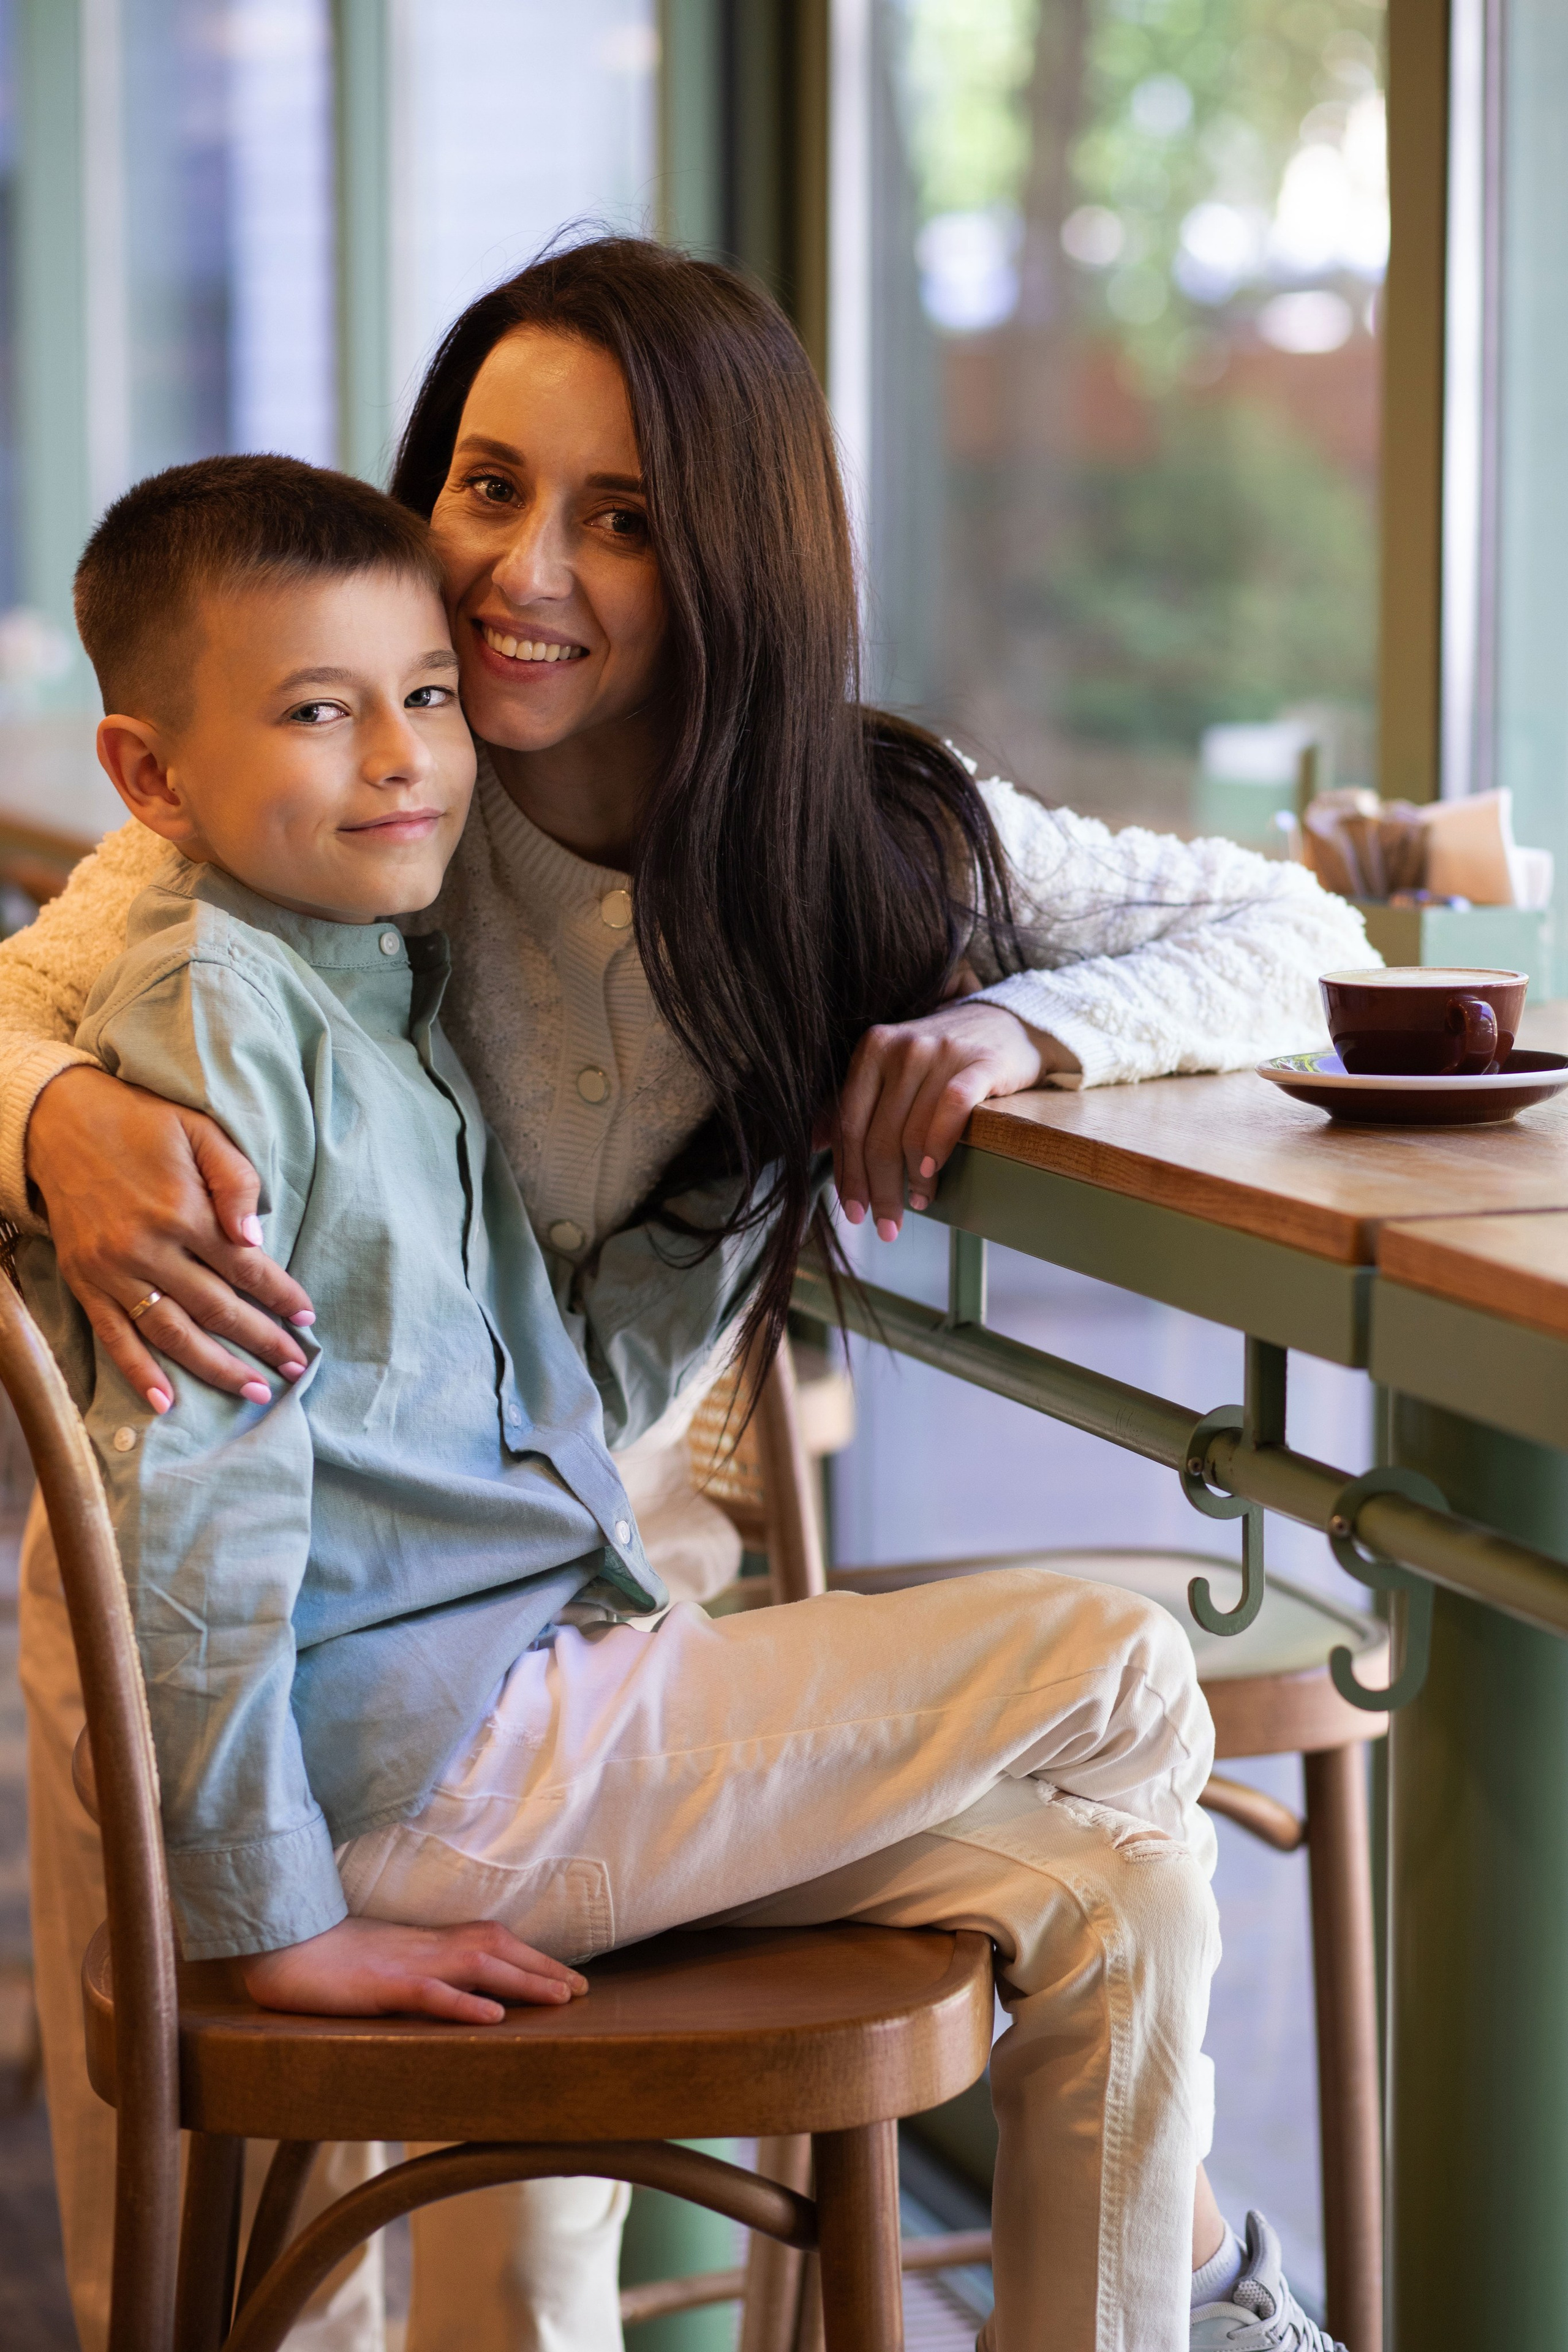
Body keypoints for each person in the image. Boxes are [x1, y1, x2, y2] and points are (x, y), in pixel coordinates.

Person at [1, 243, 1368, 2352]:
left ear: (734, 552)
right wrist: (55, 1120)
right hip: (222, 1625)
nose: (520, 571)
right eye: (487, 483)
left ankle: (1171, 2286)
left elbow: (1288, 930)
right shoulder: (303, 816)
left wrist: (1026, 1034)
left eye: (623, 517)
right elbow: (38, 1010)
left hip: (582, 1589)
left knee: (1102, 1891)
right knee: (250, 2290)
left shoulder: (844, 836)